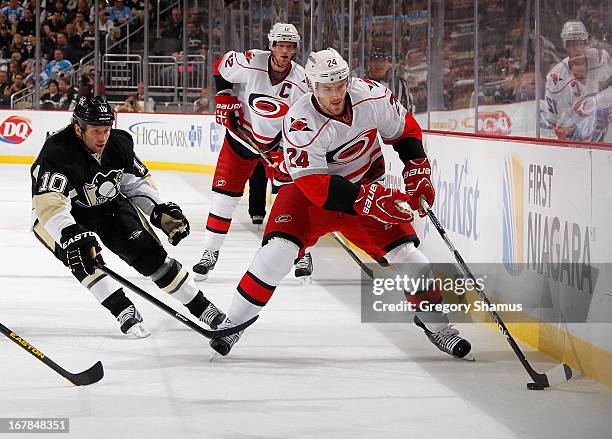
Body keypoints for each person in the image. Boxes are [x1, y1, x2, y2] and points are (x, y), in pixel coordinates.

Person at [207, 48, 474, 360]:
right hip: (311, 197)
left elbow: (405, 131)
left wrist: (417, 169)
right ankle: (233, 323)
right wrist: (369, 199)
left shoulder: (372, 96)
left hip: (366, 188)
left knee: (414, 261)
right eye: (326, 88)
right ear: (311, 85)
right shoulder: (299, 120)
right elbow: (316, 186)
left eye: (340, 85)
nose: (335, 95)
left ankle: (437, 327)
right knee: (275, 254)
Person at [30, 96, 225, 338]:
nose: (102, 138)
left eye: (106, 130)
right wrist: (69, 234)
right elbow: (49, 202)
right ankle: (122, 309)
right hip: (65, 214)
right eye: (95, 131)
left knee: (151, 256)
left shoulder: (119, 143)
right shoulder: (57, 151)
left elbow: (134, 184)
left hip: (109, 206)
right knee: (82, 257)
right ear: (78, 128)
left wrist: (159, 209)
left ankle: (203, 308)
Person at [192, 23, 313, 282]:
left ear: (295, 49)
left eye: (290, 46)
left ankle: (302, 252)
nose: (284, 51)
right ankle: (209, 252)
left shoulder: (302, 81)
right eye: (280, 45)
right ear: (271, 46)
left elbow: (305, 121)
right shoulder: (250, 61)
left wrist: (290, 149)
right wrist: (224, 95)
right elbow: (220, 66)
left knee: (293, 201)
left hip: (280, 145)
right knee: (223, 198)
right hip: (241, 138)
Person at [542, 20, 612, 141]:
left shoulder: (599, 59)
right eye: (574, 45)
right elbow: (555, 121)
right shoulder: (555, 77)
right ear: (566, 46)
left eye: (581, 44)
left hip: (602, 125)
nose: (579, 49)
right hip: (576, 134)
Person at [366, 44, 415, 113]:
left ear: (389, 64)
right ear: (369, 63)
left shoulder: (400, 84)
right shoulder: (361, 83)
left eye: (383, 60)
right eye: (376, 60)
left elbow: (408, 108)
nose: (379, 64)